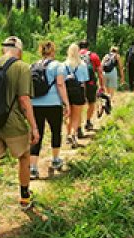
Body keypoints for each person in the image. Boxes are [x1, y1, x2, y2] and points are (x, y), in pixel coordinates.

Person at [0, 36, 39, 237]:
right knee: (24, 156)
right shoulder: (22, 67)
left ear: (3, 49)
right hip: (12, 124)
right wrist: (34, 126)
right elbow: (24, 100)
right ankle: (24, 197)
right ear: (19, 51)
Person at [29, 41, 70, 179]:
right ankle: (56, 160)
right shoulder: (58, 65)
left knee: (36, 134)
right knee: (55, 131)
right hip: (53, 104)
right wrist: (66, 103)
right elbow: (60, 84)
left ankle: (33, 168)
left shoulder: (33, 65)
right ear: (53, 51)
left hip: (35, 104)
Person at [63, 43, 89, 149]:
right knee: (76, 116)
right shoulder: (82, 65)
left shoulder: (64, 65)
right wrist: (85, 95)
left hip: (67, 92)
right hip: (78, 92)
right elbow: (84, 81)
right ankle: (73, 133)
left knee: (68, 114)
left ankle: (68, 134)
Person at [78, 39, 105, 136]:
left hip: (77, 84)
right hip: (90, 83)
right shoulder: (93, 56)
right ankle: (88, 122)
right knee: (91, 103)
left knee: (78, 106)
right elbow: (100, 73)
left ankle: (77, 127)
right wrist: (102, 86)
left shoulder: (74, 56)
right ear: (88, 47)